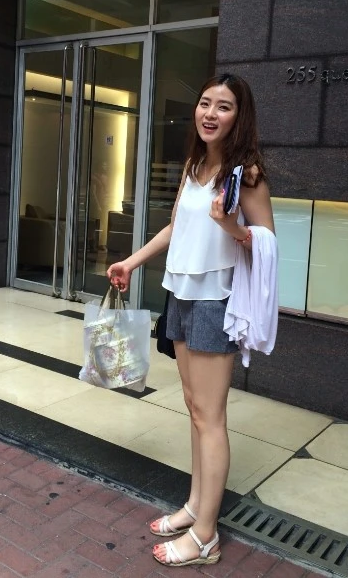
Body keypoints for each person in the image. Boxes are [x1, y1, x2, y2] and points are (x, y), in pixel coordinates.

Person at [106, 73, 275, 568]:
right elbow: (176, 227)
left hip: (215, 300)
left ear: (239, 116)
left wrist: (231, 225)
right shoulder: (196, 166)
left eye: (223, 106)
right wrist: (131, 262)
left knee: (210, 415)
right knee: (193, 407)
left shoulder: (247, 173)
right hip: (180, 294)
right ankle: (196, 507)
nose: (210, 114)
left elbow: (267, 242)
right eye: (205, 103)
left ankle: (206, 537)